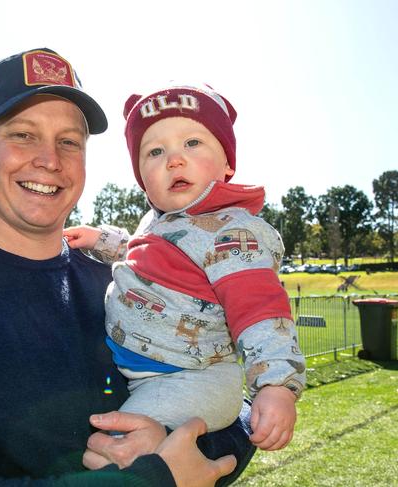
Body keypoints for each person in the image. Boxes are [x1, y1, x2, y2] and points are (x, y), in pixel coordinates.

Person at [0, 49, 255, 486]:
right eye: (23, 135)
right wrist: (150, 479)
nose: (50, 159)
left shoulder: (119, 283)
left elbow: (237, 408)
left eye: (69, 141)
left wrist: (174, 444)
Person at [64, 85, 306, 451]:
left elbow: (261, 313)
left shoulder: (233, 234)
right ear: (142, 178)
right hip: (150, 372)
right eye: (155, 151)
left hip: (193, 379)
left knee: (118, 448)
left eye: (192, 143)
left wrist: (276, 386)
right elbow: (143, 256)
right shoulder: (162, 222)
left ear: (227, 162)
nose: (173, 160)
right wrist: (101, 240)